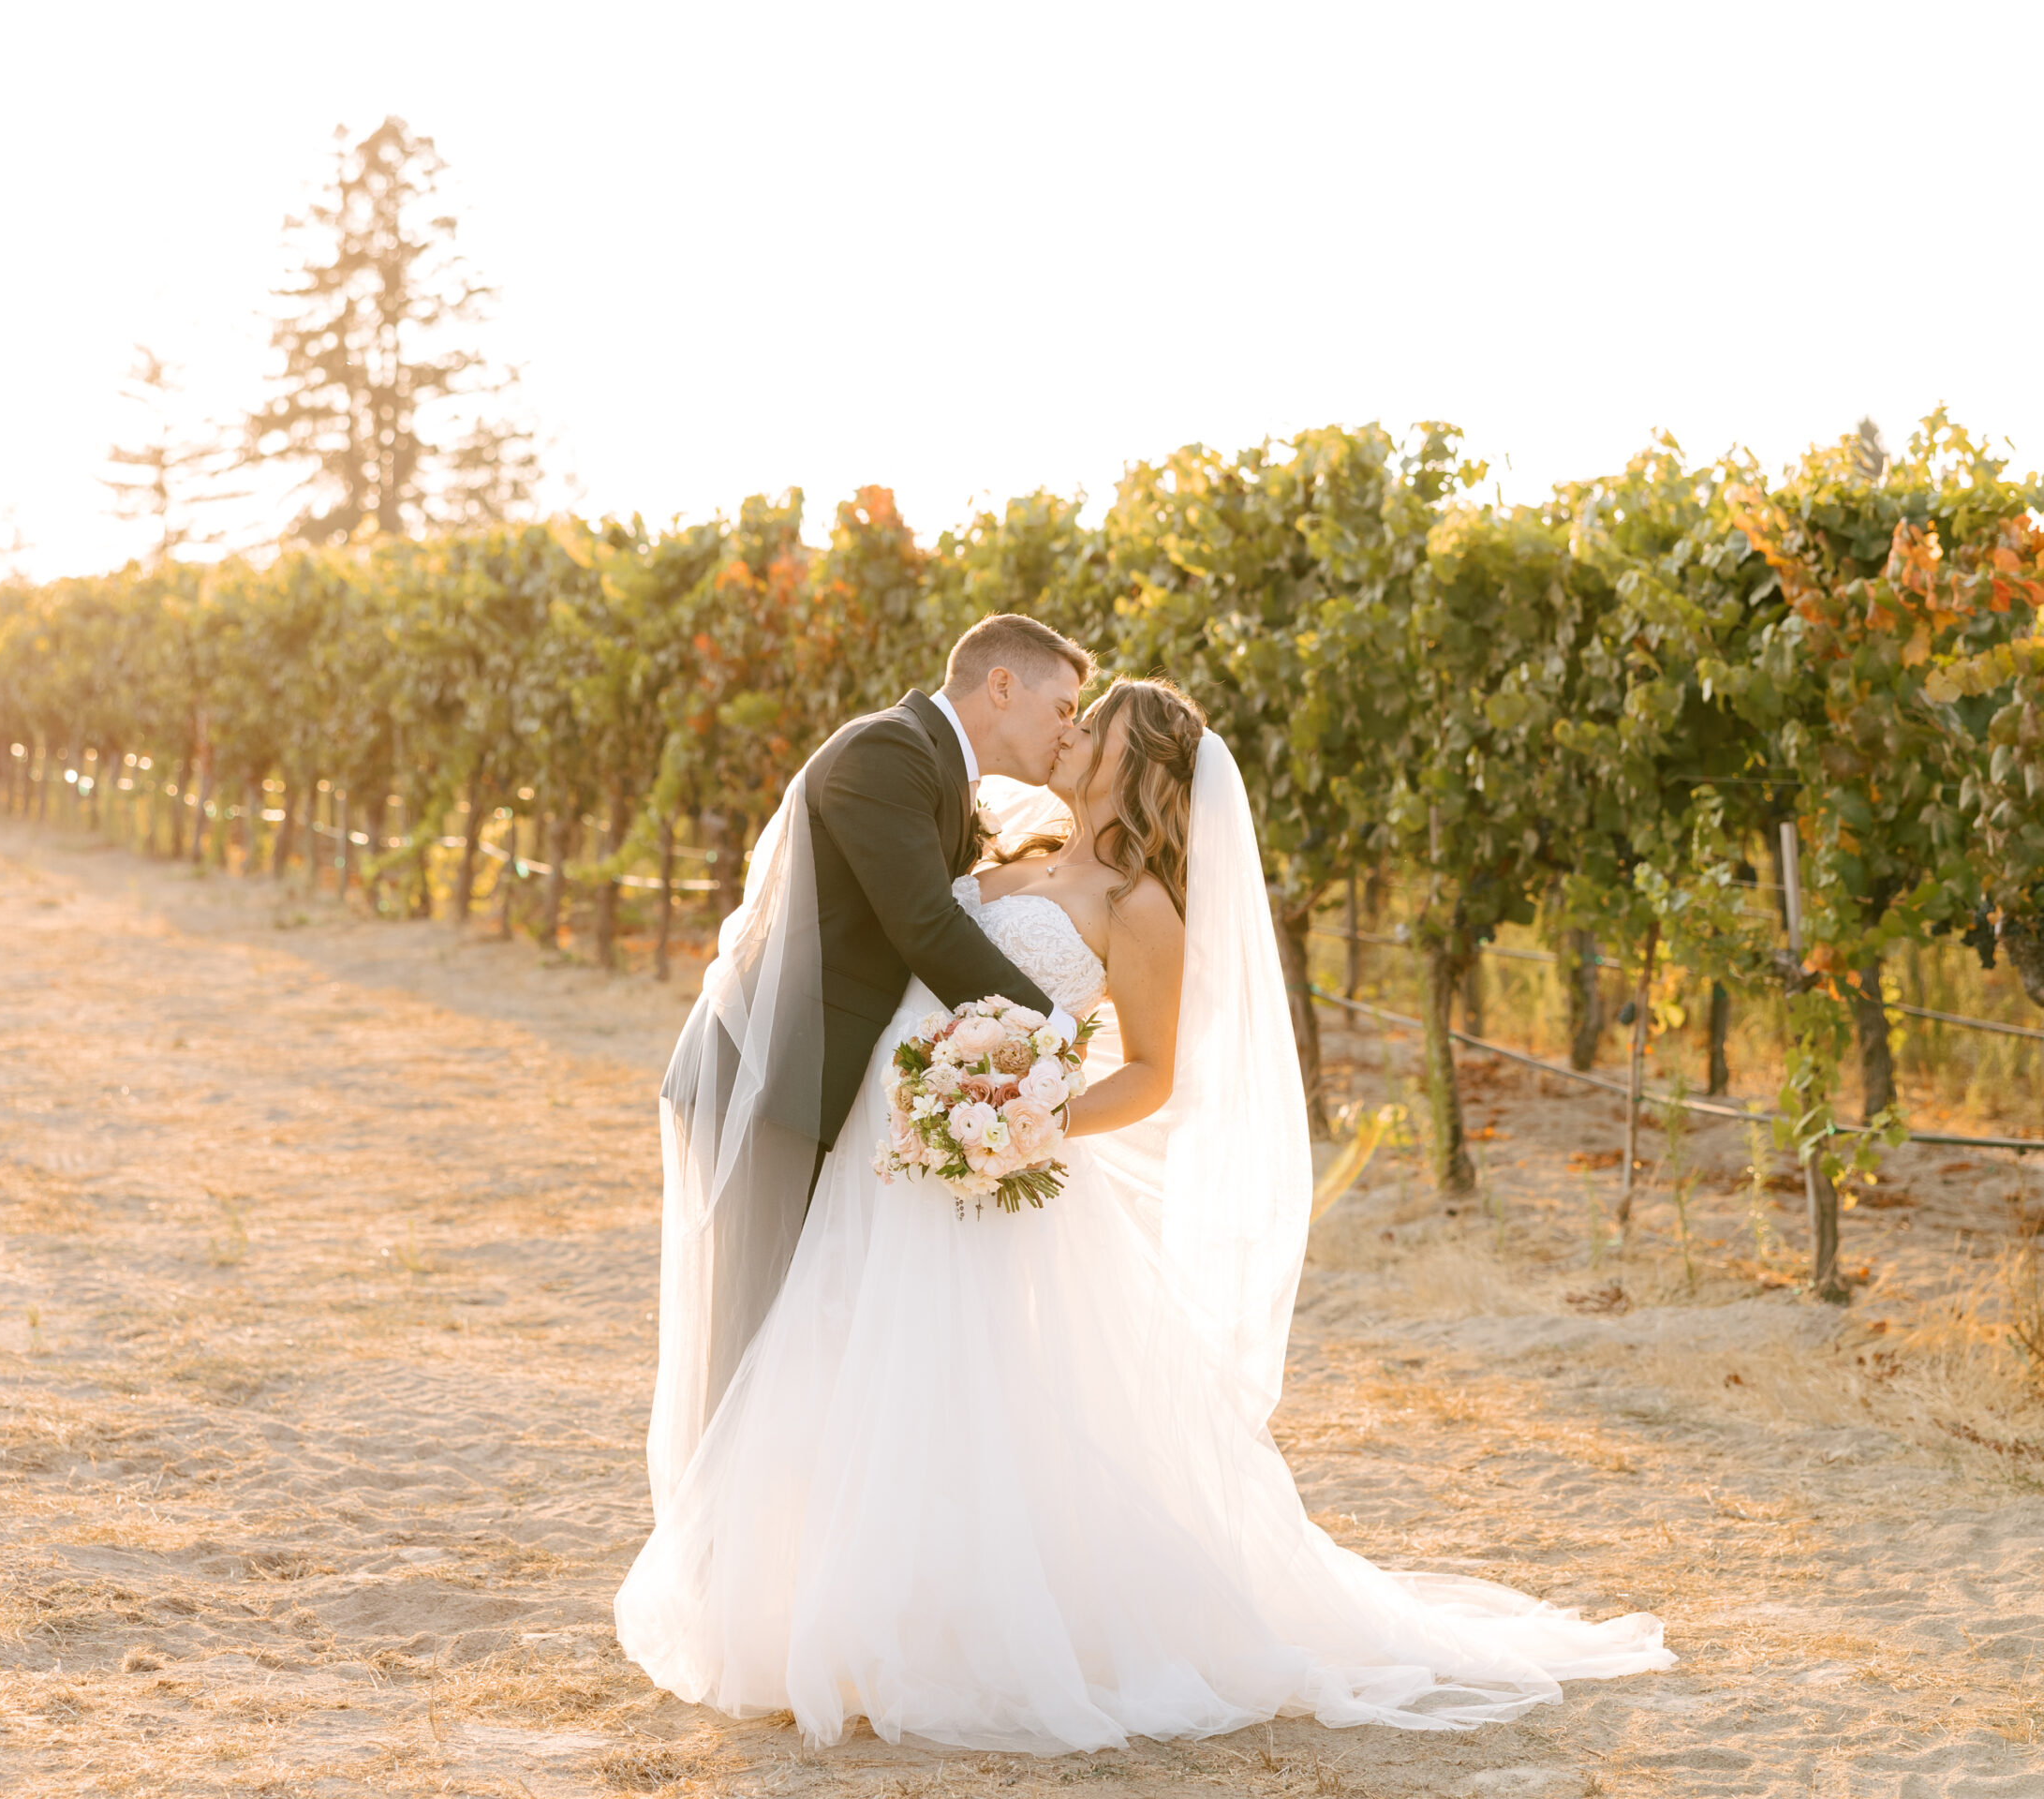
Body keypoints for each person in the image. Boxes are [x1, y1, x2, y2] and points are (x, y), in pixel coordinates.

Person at [625, 649, 1675, 1754]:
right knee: (849, 1369)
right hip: (884, 1157)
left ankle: (959, 1632)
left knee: (961, 1397)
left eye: (1093, 723)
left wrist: (1032, 1115)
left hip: (986, 1167)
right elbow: (915, 941)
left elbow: (1153, 1075)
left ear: (1139, 765)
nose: (1068, 732)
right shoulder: (1008, 847)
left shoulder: (1142, 909)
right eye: (1066, 712)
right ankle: (833, 1611)